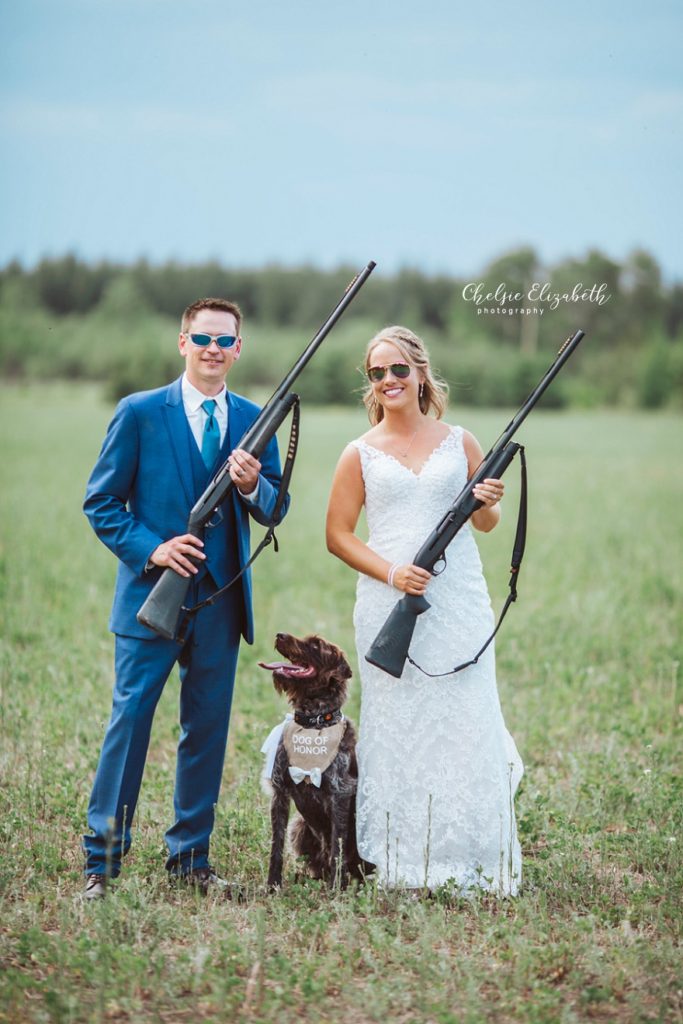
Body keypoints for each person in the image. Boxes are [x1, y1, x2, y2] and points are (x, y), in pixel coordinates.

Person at [82, 297, 288, 898]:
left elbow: (277, 507)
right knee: (130, 726)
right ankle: (102, 863)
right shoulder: (139, 412)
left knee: (206, 732)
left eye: (224, 341)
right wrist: (154, 550)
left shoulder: (255, 419)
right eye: (202, 339)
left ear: (238, 349)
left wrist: (253, 488)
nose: (213, 350)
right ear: (183, 343)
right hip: (152, 602)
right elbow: (101, 504)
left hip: (221, 606)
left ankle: (191, 860)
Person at [326, 325, 523, 894]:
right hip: (388, 602)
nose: (388, 380)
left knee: (464, 720)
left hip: (459, 599)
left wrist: (488, 502)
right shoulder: (358, 452)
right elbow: (337, 536)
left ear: (420, 373)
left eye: (398, 370)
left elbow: (483, 524)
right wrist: (392, 573)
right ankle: (402, 856)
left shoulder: (460, 440)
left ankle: (473, 856)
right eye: (377, 373)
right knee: (399, 724)